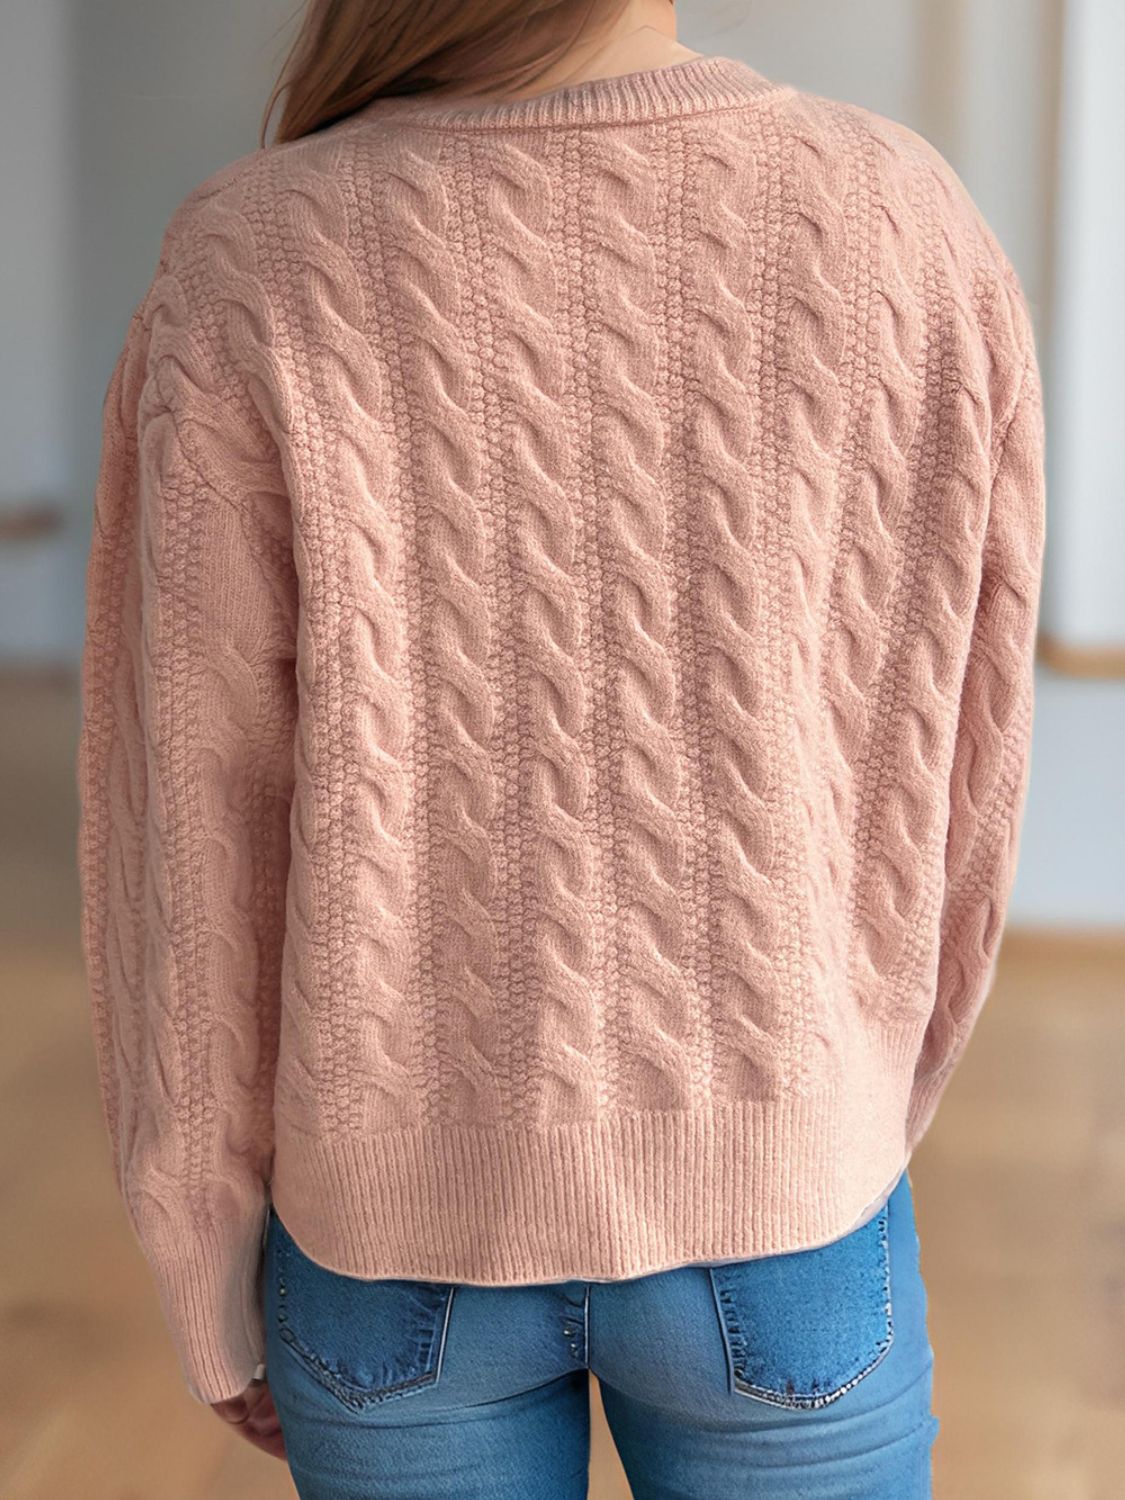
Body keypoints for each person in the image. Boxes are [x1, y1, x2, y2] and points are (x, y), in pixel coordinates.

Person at [75, 0, 1046, 1494]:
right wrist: (840, 1110)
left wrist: (202, 1247)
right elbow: (958, 765)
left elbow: (192, 823)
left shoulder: (255, 254)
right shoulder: (895, 216)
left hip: (388, 1240)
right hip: (786, 1209)